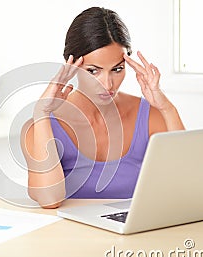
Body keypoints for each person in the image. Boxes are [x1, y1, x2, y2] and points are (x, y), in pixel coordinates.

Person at [20, 7, 185, 208]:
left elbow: (184, 180)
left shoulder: (149, 115)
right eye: (93, 71)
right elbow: (49, 200)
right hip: (71, 237)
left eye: (117, 69)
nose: (107, 85)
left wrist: (167, 108)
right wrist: (42, 114)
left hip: (133, 233)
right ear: (70, 65)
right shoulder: (39, 126)